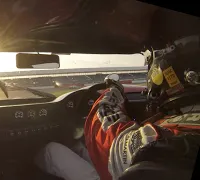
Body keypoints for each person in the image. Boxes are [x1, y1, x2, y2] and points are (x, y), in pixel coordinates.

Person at [34, 35, 200, 180]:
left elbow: (108, 131)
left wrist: (112, 90)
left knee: (51, 150)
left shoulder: (175, 139)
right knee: (79, 148)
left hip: (124, 167)